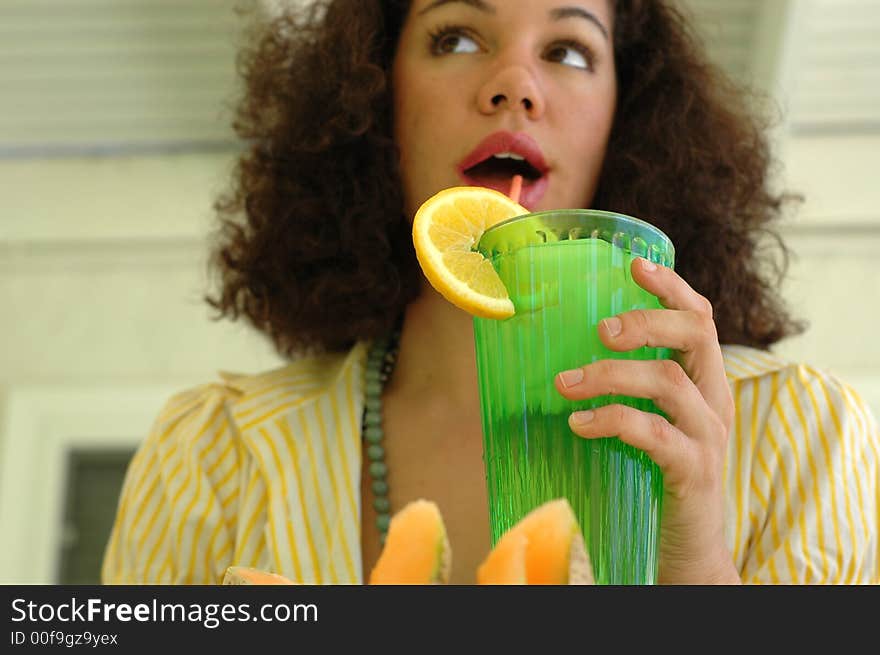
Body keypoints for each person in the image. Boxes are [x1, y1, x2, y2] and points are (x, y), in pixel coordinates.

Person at [101, 0, 879, 585]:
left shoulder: (805, 437)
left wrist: (696, 575)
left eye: (570, 50)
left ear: (629, 116)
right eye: (457, 38)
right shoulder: (209, 455)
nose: (515, 84)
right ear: (377, 99)